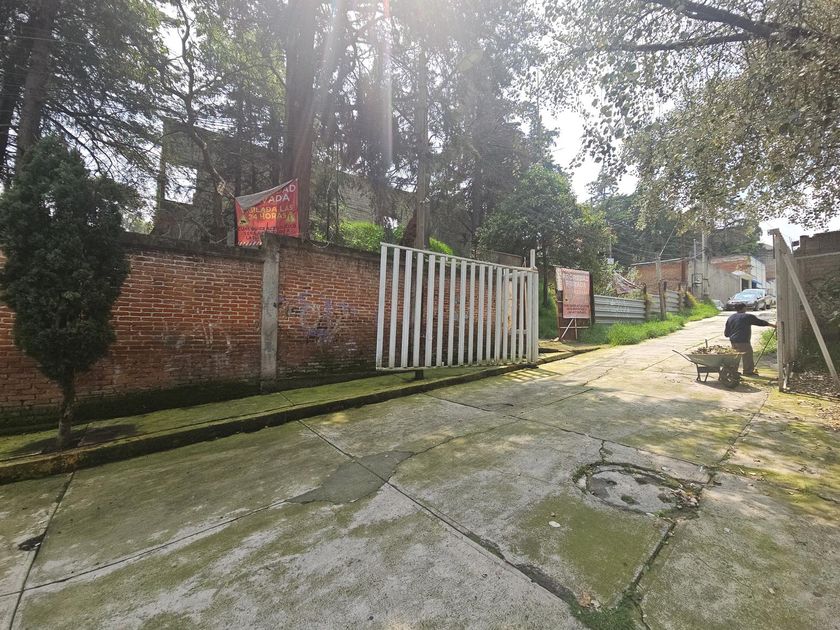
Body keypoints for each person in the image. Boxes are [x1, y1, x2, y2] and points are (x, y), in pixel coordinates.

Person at [724, 303, 776, 375]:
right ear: (744, 308)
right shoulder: (747, 317)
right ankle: (748, 371)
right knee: (747, 355)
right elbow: (760, 322)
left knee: (735, 356)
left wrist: (730, 335)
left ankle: (733, 371)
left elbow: (726, 333)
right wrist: (773, 325)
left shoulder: (731, 317)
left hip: (733, 341)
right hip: (743, 340)